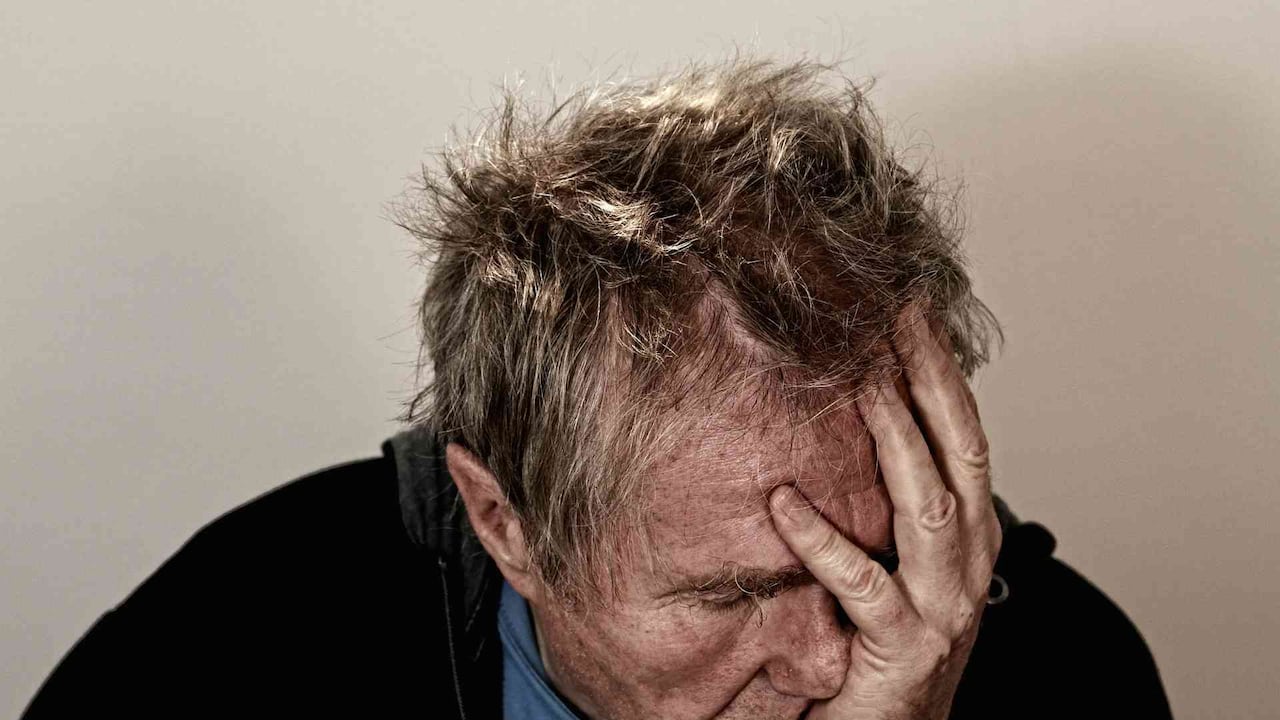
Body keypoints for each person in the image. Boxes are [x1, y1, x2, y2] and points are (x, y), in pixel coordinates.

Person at [20, 56, 1174, 719]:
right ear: (505, 522)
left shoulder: (1063, 672)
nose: (834, 664)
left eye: (870, 565)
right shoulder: (235, 648)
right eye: (733, 594)